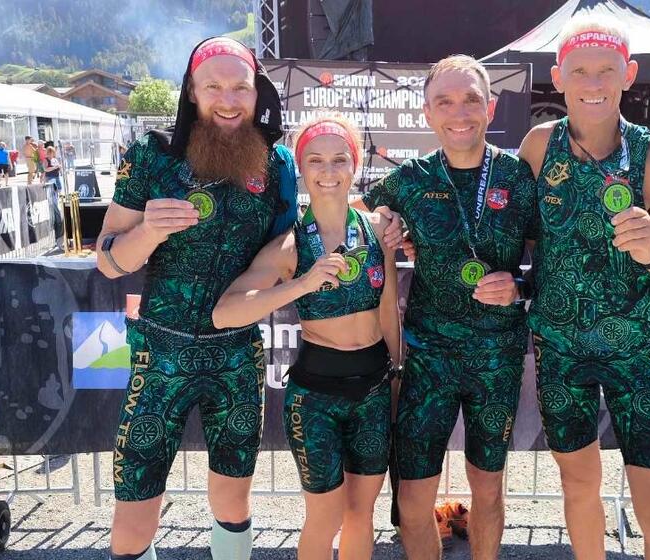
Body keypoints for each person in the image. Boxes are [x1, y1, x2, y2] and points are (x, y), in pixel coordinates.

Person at [94, 37, 396, 560]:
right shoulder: (151, 154)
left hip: (236, 356)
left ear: (258, 94)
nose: (228, 100)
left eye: (241, 87)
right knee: (135, 517)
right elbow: (107, 258)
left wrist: (381, 223)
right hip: (160, 355)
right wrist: (148, 233)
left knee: (232, 503)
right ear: (192, 92)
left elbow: (308, 228)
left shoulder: (276, 164)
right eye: (213, 86)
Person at [518, 17, 650, 560]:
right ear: (558, 77)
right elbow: (512, 239)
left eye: (607, 70)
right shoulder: (539, 147)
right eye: (579, 71)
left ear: (629, 74)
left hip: (634, 359)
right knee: (579, 492)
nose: (593, 83)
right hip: (560, 356)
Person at [354, 55, 539, 560]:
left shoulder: (519, 178)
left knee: (488, 490)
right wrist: (385, 225)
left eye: (471, 100)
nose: (460, 113)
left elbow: (554, 262)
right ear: (428, 113)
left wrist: (519, 286)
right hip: (427, 359)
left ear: (490, 107)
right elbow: (348, 214)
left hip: (496, 360)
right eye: (445, 102)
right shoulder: (410, 179)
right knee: (415, 500)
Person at [214, 114, 402, 560]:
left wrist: (399, 377)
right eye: (316, 160)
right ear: (301, 168)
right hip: (315, 399)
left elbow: (389, 309)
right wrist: (301, 284)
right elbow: (224, 313)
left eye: (339, 159)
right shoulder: (290, 246)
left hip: (373, 390)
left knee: (361, 514)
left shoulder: (378, 229)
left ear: (354, 165)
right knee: (326, 515)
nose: (328, 171)